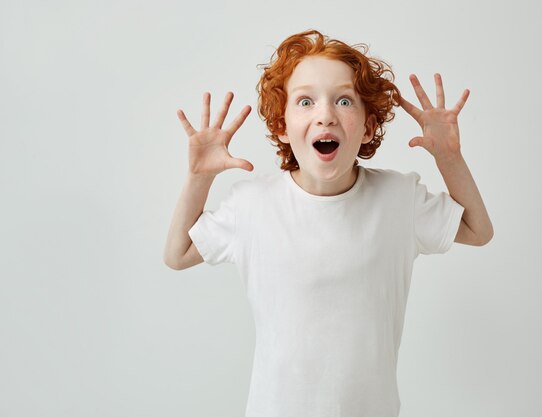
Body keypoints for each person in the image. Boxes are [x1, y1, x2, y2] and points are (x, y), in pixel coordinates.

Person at [163, 29, 493, 417]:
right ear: (282, 126)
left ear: (368, 127)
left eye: (343, 100)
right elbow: (178, 253)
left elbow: (477, 230)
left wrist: (449, 158)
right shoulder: (252, 205)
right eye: (305, 101)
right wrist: (199, 178)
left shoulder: (398, 198)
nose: (325, 114)